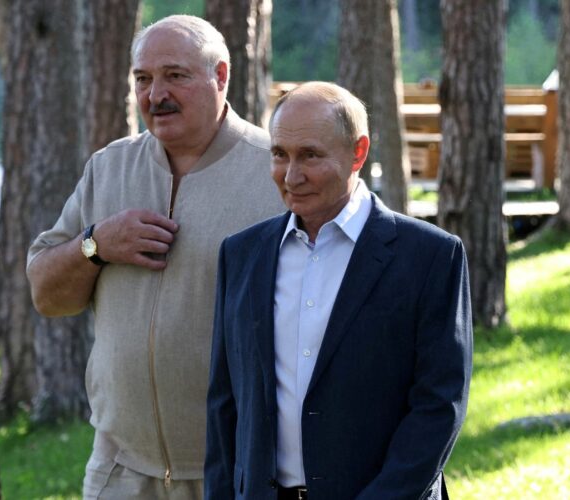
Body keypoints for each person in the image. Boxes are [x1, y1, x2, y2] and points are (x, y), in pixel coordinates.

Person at [26, 15, 284, 499]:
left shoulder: (276, 171)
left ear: (221, 76)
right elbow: (46, 294)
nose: (155, 94)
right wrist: (97, 244)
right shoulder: (109, 167)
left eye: (175, 75)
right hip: (119, 468)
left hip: (236, 469)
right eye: (142, 79)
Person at [205, 82, 473, 500]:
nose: (291, 176)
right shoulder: (240, 255)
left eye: (310, 155)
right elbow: (225, 407)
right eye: (279, 155)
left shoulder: (431, 257)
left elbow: (439, 407)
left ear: (358, 152)